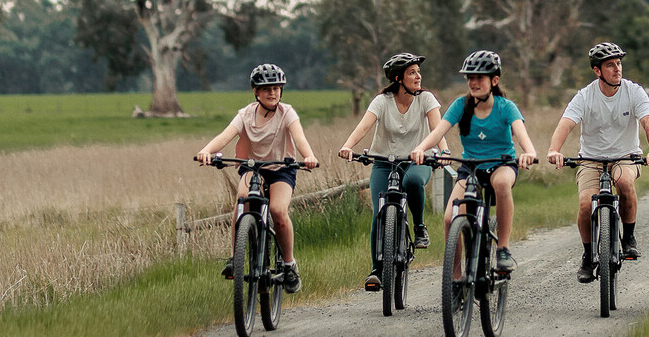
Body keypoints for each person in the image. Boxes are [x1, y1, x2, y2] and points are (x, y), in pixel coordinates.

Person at [545, 41, 649, 283]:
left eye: (619, 64)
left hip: (626, 156)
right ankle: (588, 256)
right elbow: (565, 124)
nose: (617, 69)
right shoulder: (585, 96)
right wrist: (554, 150)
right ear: (597, 71)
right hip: (591, 159)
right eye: (610, 65)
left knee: (624, 182)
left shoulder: (634, 92)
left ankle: (628, 238)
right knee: (586, 205)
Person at [196, 63, 319, 293]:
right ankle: (235, 258)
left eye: (276, 88)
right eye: (266, 89)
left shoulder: (287, 113)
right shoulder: (245, 115)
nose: (272, 93)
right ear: (256, 92)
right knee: (243, 199)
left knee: (278, 211)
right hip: (252, 167)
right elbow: (225, 136)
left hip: (282, 168)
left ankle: (290, 264)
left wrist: (309, 155)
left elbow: (299, 138)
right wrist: (207, 151)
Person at [412, 50, 537, 273]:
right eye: (470, 77)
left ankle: (503, 249)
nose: (473, 82)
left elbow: (522, 134)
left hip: (502, 164)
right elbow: (438, 131)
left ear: (494, 80)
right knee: (451, 219)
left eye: (479, 77)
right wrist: (421, 148)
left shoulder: (505, 107)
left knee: (500, 184)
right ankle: (456, 279)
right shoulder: (461, 105)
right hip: (470, 169)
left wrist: (528, 152)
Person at [338, 51, 444, 292]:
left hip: (417, 160)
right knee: (379, 212)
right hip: (383, 162)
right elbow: (364, 125)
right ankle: (377, 269)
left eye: (418, 72)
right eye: (412, 73)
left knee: (414, 182)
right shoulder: (382, 101)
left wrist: (444, 151)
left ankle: (419, 226)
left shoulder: (427, 99)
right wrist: (347, 146)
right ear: (398, 79)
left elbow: (438, 130)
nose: (418, 76)